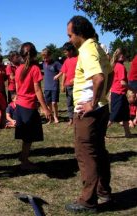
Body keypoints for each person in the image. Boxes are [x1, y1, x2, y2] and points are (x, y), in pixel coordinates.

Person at [65, 16, 113, 213]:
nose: (69, 39)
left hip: (89, 113)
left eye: (70, 35)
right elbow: (110, 73)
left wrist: (92, 104)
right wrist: (102, 99)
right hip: (100, 109)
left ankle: (88, 200)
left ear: (79, 34)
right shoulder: (97, 47)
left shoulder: (86, 50)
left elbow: (99, 77)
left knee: (86, 154)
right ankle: (103, 190)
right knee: (99, 150)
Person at [15, 42, 52, 169]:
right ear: (35, 54)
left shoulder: (18, 68)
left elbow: (17, 86)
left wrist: (17, 98)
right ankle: (24, 160)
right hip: (28, 106)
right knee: (28, 136)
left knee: (26, 135)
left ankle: (23, 156)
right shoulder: (35, 69)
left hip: (20, 105)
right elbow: (37, 90)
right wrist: (45, 108)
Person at [108, 48, 134, 137]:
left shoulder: (116, 65)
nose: (122, 56)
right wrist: (133, 89)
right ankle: (102, 133)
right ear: (117, 56)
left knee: (126, 115)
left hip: (120, 94)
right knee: (113, 115)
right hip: (118, 94)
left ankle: (127, 133)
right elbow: (123, 83)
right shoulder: (120, 66)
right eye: (120, 54)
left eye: (123, 54)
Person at [54, 42, 78, 125]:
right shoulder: (66, 60)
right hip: (68, 86)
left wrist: (75, 79)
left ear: (71, 51)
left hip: (77, 85)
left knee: (77, 102)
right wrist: (62, 84)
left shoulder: (78, 59)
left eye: (65, 52)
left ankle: (78, 118)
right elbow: (64, 72)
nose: (64, 53)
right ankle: (71, 118)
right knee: (69, 103)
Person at [41, 48, 62, 123]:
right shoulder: (43, 64)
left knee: (54, 103)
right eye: (43, 58)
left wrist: (57, 76)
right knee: (48, 103)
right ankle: (51, 118)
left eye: (46, 57)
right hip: (47, 87)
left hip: (54, 86)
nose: (45, 59)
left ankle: (56, 116)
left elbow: (63, 70)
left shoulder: (56, 63)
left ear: (50, 56)